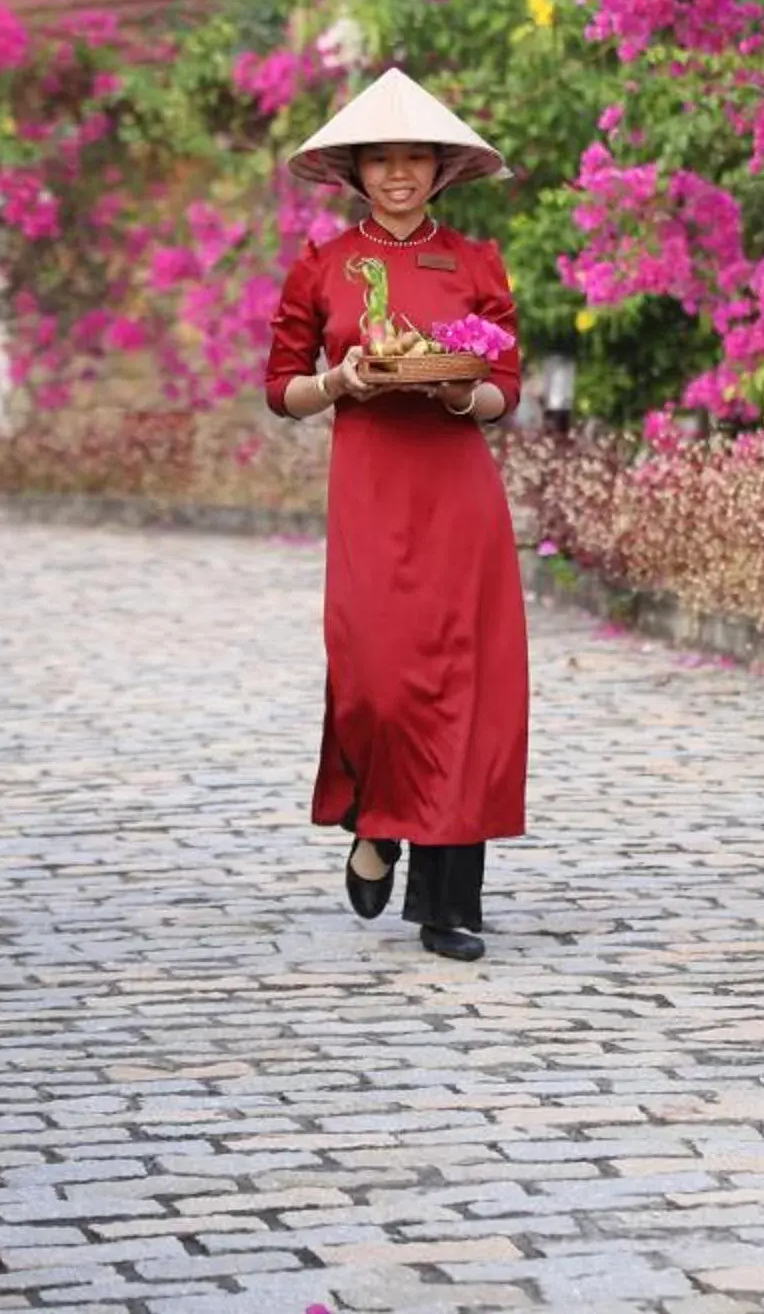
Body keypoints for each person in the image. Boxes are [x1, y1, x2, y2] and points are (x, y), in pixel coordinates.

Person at [264, 69, 528, 963]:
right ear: (357, 171)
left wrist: (460, 394)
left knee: (462, 687)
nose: (400, 174)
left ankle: (449, 904)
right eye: (382, 159)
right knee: (375, 674)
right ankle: (372, 818)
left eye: (415, 157)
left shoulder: (478, 264)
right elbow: (281, 391)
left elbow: (505, 391)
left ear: (442, 168)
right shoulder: (323, 266)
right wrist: (338, 383)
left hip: (457, 491)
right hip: (370, 489)